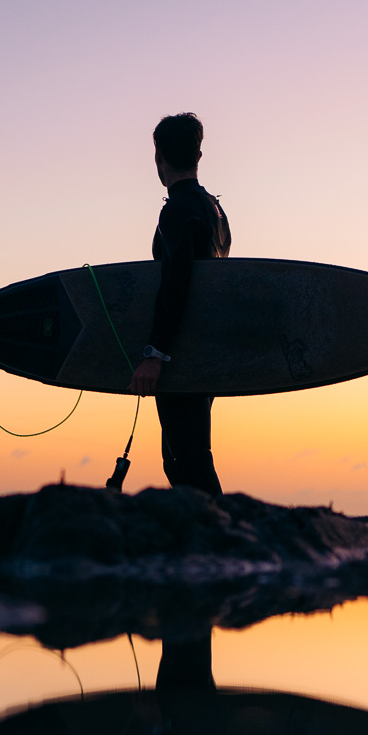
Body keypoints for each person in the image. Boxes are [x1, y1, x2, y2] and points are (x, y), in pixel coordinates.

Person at [128, 113, 230, 497]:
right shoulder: (216, 212)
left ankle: (221, 535)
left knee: (186, 457)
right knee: (183, 453)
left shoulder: (177, 211)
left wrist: (155, 353)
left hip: (179, 353)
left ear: (159, 158)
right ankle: (216, 534)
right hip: (205, 350)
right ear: (199, 155)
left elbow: (176, 286)